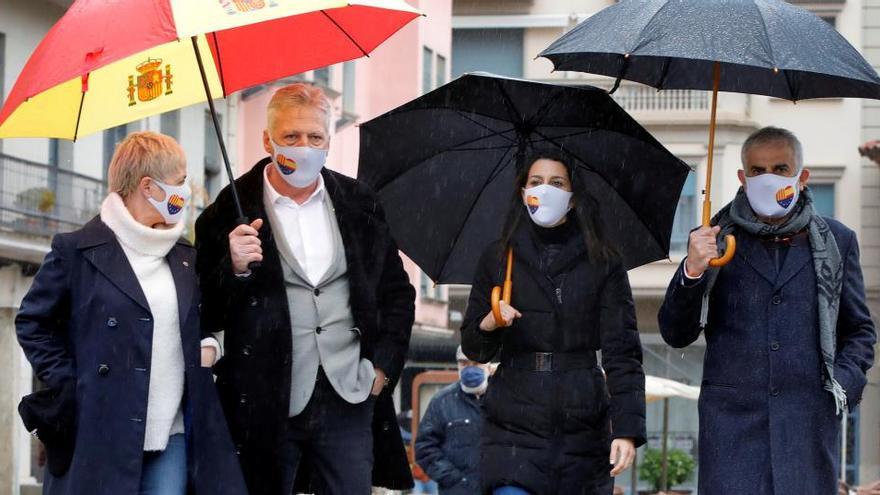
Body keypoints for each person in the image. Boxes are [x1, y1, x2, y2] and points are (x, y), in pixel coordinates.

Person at [195, 83, 416, 495]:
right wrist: (235, 268)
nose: (304, 147)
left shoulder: (358, 202)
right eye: (291, 137)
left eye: (315, 137)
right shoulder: (228, 209)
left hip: (349, 391)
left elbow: (396, 292)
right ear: (267, 140)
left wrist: (382, 368)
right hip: (266, 399)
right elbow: (205, 309)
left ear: (329, 141)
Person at [15, 131, 246, 495]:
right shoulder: (76, 251)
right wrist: (72, 380)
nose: (186, 191)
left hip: (173, 432)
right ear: (149, 187)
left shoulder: (184, 255)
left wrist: (209, 346)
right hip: (101, 428)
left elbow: (200, 321)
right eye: (180, 181)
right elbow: (32, 323)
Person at [659, 127, 876, 495]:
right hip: (730, 430)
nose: (768, 178)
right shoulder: (712, 240)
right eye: (758, 171)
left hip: (807, 425)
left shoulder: (838, 241)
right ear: (742, 178)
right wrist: (692, 270)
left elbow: (859, 331)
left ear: (802, 177)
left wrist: (840, 384)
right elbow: (675, 332)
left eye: (780, 167)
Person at [460, 151, 647, 494]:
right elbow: (475, 348)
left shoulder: (603, 261)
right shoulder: (498, 257)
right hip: (512, 426)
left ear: (573, 198)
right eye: (536, 182)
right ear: (522, 192)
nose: (545, 190)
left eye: (557, 183)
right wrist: (489, 322)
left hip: (582, 425)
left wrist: (626, 429)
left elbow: (623, 351)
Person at [415, 346, 490, 494]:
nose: (469, 368)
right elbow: (424, 447)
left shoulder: (503, 398)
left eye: (476, 363)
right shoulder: (442, 401)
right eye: (464, 363)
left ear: (487, 365)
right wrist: (453, 479)